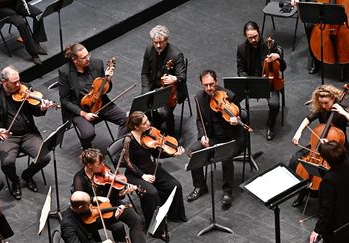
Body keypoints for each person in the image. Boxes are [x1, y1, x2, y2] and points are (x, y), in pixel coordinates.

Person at [0, 65, 51, 200]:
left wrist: (42, 108)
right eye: (14, 82)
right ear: (4, 82)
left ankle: (27, 175)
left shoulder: (26, 88)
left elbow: (36, 112)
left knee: (45, 157)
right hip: (7, 136)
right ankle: (15, 181)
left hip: (28, 133)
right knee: (7, 163)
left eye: (19, 80)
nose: (19, 84)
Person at [122, 111, 187, 241]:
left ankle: (174, 214)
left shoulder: (149, 134)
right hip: (135, 173)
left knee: (175, 185)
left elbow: (158, 153)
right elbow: (127, 162)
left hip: (151, 168)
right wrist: (142, 175)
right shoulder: (128, 139)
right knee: (152, 193)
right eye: (145, 123)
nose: (149, 124)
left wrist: (172, 154)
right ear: (136, 126)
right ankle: (156, 229)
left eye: (147, 121)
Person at [186, 70, 245, 210]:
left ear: (216, 81)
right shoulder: (199, 97)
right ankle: (200, 186)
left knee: (226, 157)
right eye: (205, 85)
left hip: (231, 138)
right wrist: (202, 136)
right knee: (193, 152)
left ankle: (227, 192)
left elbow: (244, 116)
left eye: (211, 84)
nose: (209, 89)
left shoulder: (229, 95)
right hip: (212, 137)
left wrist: (236, 120)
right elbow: (199, 121)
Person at [58, 43, 127, 149]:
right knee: (88, 134)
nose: (88, 58)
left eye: (88, 54)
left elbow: (105, 90)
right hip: (80, 109)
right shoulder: (65, 71)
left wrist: (107, 80)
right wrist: (84, 114)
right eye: (84, 57)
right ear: (75, 60)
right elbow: (64, 100)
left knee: (127, 119)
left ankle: (118, 149)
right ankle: (87, 151)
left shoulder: (97, 63)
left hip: (100, 103)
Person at [290, 84, 349, 207]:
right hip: (320, 144)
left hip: (338, 146)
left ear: (333, 99)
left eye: (326, 103)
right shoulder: (321, 109)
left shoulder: (343, 109)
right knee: (295, 160)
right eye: (321, 103)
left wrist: (343, 112)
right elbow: (308, 118)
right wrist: (298, 133)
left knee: (333, 172)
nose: (323, 106)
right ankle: (302, 193)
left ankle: (328, 198)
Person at [71, 149, 146, 243]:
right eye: (99, 164)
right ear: (90, 165)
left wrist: (120, 194)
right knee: (118, 225)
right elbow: (80, 203)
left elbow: (112, 193)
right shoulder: (79, 179)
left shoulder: (103, 170)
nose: (103, 165)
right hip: (94, 213)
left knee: (136, 219)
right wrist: (95, 198)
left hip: (109, 203)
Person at [236, 20, 286, 140]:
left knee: (274, 104)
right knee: (232, 99)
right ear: (246, 36)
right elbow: (240, 70)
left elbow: (283, 67)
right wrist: (250, 80)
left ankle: (270, 126)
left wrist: (278, 57)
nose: (253, 40)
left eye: (255, 36)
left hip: (270, 83)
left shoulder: (270, 45)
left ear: (259, 32)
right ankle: (242, 124)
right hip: (252, 82)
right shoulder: (241, 48)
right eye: (250, 38)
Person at [141, 25, 187, 136]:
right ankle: (156, 122)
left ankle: (171, 134)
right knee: (143, 106)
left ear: (166, 40)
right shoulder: (149, 49)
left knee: (165, 112)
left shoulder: (176, 54)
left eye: (161, 42)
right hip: (154, 84)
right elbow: (145, 73)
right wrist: (146, 91)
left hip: (172, 89)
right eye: (155, 42)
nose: (158, 45)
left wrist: (174, 78)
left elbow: (182, 76)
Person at [309, 141, 349, 243]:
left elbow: (327, 208)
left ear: (327, 160)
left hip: (337, 225)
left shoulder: (329, 179)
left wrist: (317, 230)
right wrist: (329, 146)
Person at [0, 0, 47, 65]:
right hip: (3, 8)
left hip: (18, 3)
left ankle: (36, 43)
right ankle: (33, 53)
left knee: (38, 14)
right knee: (21, 24)